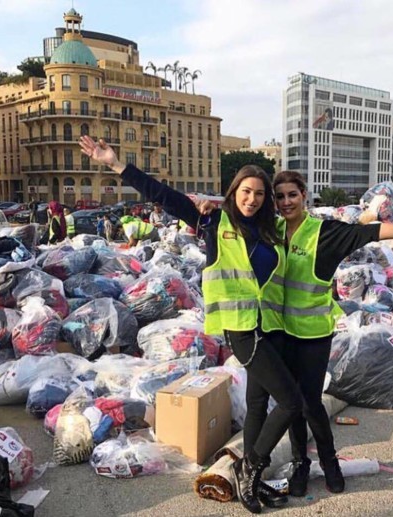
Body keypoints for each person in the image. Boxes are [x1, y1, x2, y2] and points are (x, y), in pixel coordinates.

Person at [79, 135, 302, 514]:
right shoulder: (214, 220)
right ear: (234, 192)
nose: (252, 199)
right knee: (291, 402)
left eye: (260, 194)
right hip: (242, 328)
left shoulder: (271, 232)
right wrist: (117, 165)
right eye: (246, 192)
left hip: (273, 327)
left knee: (259, 402)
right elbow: (163, 194)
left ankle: (249, 476)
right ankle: (251, 467)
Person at [270, 170, 393, 497]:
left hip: (313, 333)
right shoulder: (270, 230)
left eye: (292, 195)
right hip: (279, 332)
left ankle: (329, 462)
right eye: (280, 196)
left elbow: (375, 232)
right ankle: (301, 463)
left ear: (303, 196)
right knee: (291, 403)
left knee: (310, 402)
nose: (286, 202)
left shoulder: (324, 231)